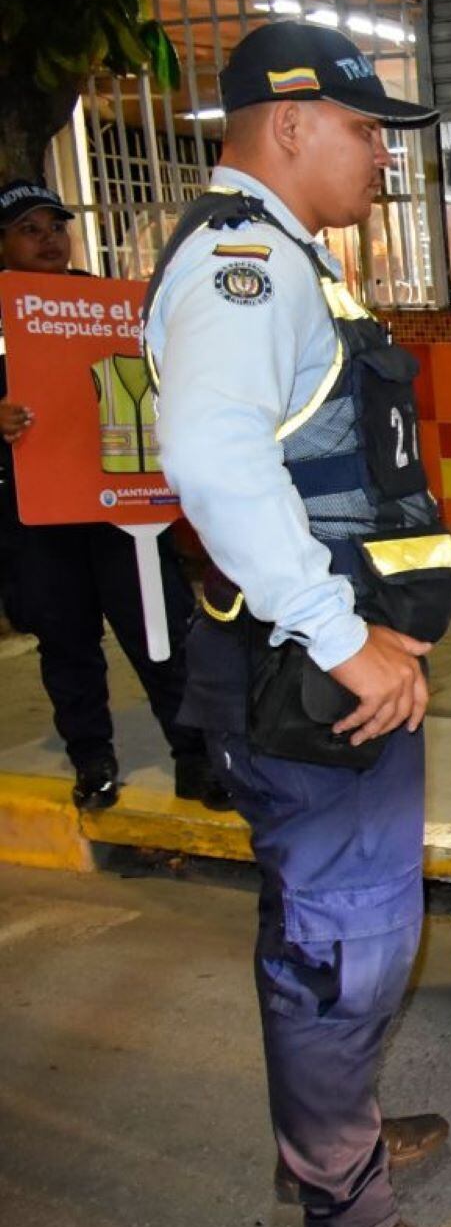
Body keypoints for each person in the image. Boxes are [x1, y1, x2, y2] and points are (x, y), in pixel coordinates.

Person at [145, 21, 451, 1227]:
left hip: (318, 668)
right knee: (344, 943)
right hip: (312, 677)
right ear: (288, 123)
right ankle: (348, 1225)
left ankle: (325, 1140)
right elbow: (216, 461)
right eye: (364, 132)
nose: (380, 162)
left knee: (316, 928)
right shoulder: (247, 264)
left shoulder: (284, 259)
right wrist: (344, 636)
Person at [0, 180, 228, 813]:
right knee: (67, 642)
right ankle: (92, 761)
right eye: (29, 229)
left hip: (122, 504)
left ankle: (196, 758)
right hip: (38, 514)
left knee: (160, 633)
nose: (48, 239)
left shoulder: (102, 302)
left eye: (55, 226)